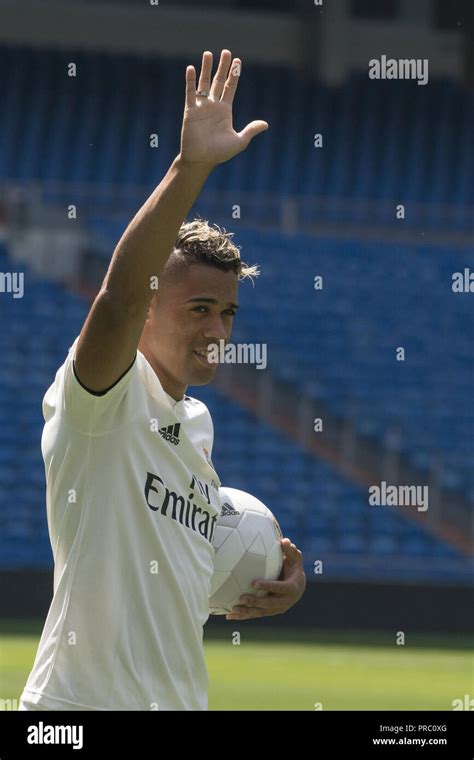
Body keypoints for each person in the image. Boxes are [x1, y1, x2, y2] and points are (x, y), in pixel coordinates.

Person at [19, 50, 306, 712]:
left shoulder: (197, 432)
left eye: (228, 312)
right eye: (199, 308)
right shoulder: (102, 399)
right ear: (152, 305)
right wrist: (190, 168)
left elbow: (175, 578)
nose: (218, 329)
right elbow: (117, 300)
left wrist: (269, 583)